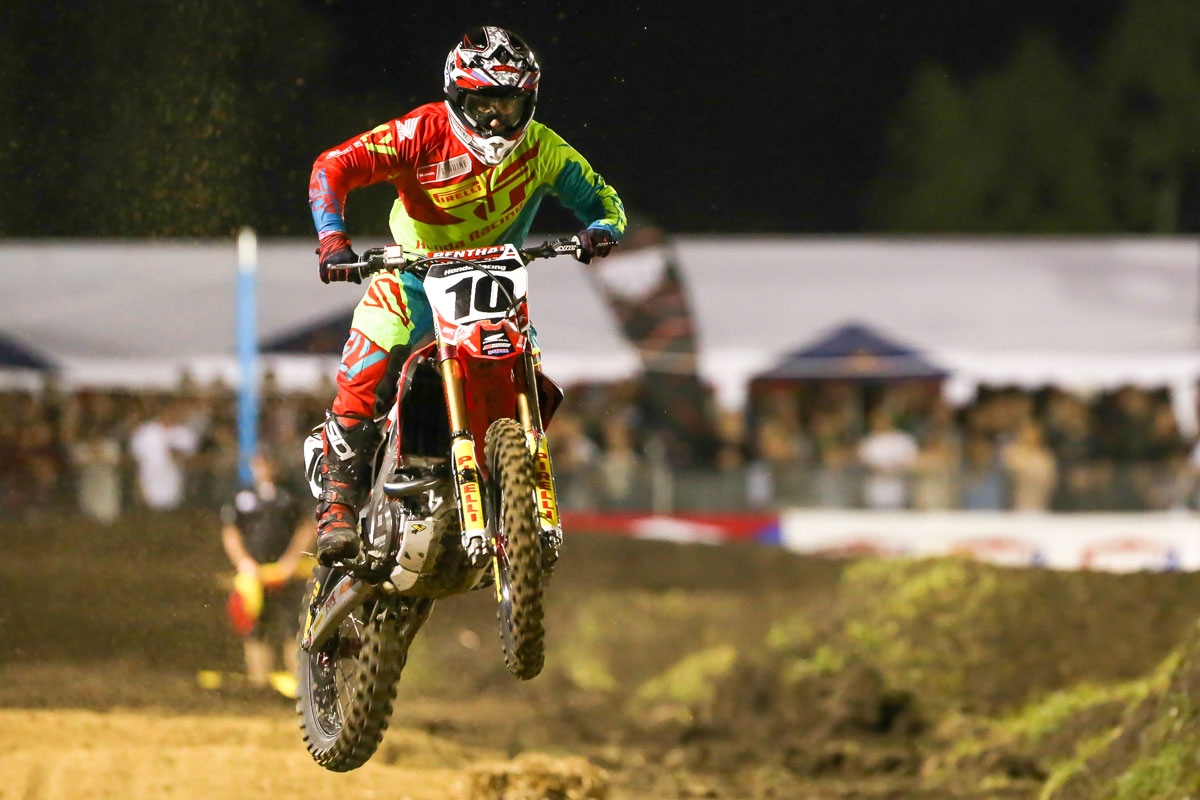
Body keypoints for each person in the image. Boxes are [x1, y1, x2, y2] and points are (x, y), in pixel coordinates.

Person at [307, 26, 626, 564]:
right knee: (365, 370)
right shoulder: (420, 132)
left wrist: (601, 229)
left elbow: (604, 199)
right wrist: (333, 241)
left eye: (510, 104)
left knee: (526, 367)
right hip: (412, 274)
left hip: (495, 280)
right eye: (484, 104)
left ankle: (512, 486)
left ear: (529, 102)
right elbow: (332, 166)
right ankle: (337, 508)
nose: (498, 120)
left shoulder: (542, 148)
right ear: (458, 97)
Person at [221, 451, 314, 693]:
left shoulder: (293, 494)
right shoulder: (242, 496)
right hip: (254, 575)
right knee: (256, 630)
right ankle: (258, 686)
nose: (264, 468)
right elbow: (231, 531)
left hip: (290, 573)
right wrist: (243, 562)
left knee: (295, 628)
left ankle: (299, 686)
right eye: (259, 463)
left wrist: (292, 560)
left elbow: (307, 526)